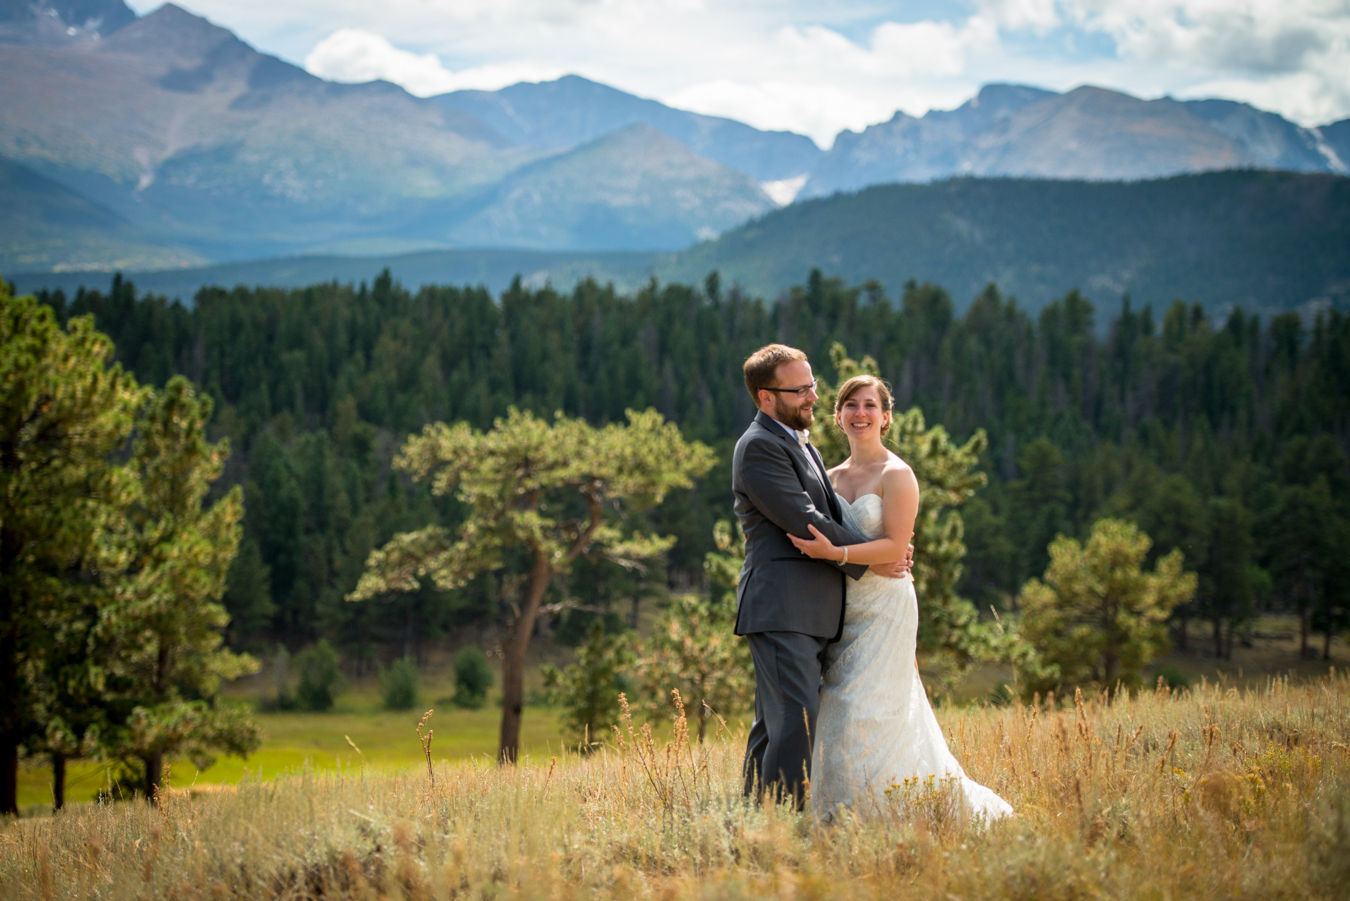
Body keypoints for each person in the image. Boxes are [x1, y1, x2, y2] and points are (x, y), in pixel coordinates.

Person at [789, 374, 1013, 823]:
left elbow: (894, 547)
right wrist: (843, 557)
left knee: (867, 706)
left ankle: (888, 810)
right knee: (837, 705)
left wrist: (841, 553)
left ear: (886, 417)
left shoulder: (898, 474)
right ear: (837, 416)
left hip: (886, 608)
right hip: (841, 607)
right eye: (850, 405)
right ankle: (839, 815)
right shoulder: (827, 478)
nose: (860, 413)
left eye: (870, 405)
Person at [731, 344, 911, 807]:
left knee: (776, 723)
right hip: (782, 606)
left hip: (809, 610)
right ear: (767, 397)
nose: (813, 396)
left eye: (812, 385)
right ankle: (782, 823)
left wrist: (876, 548)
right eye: (801, 389)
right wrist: (871, 555)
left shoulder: (796, 439)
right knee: (796, 718)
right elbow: (804, 517)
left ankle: (758, 818)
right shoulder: (759, 448)